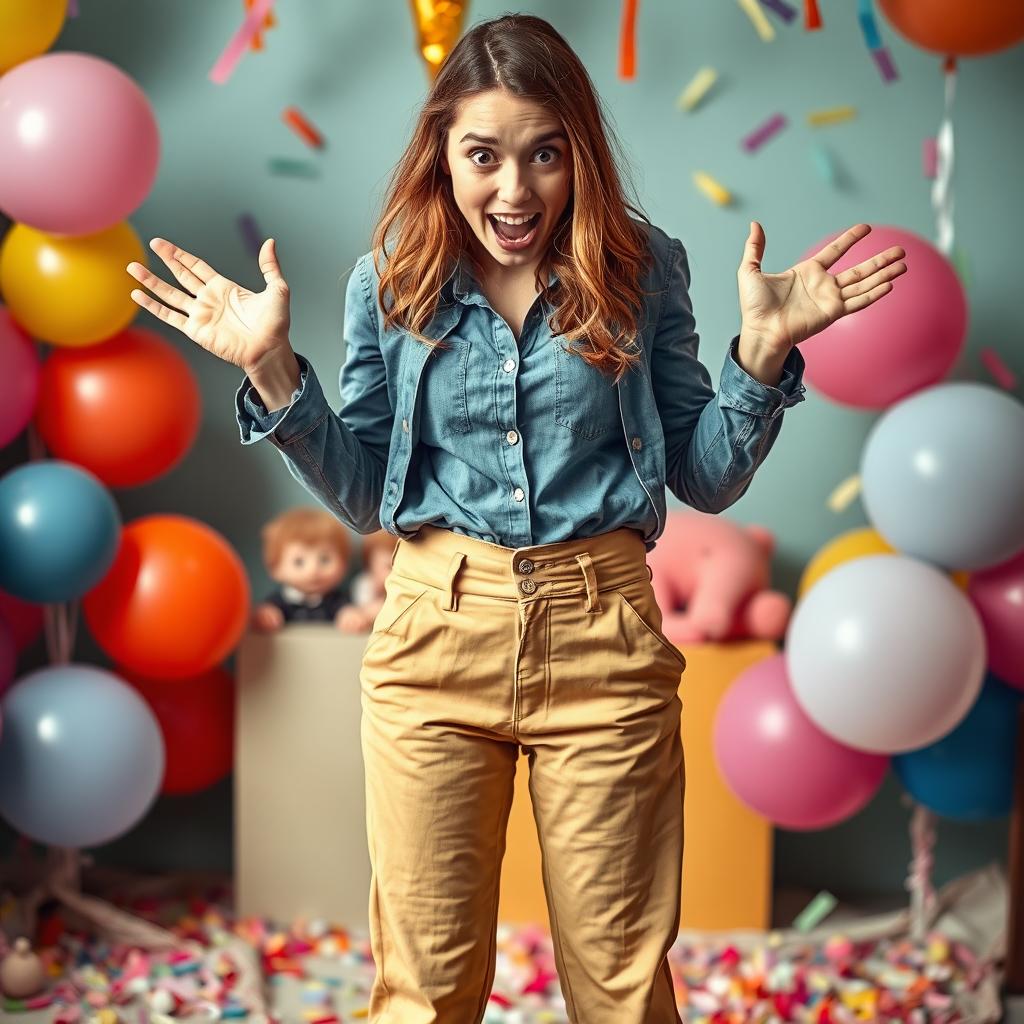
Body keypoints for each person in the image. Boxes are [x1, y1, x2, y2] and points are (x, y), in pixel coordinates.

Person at [124, 13, 906, 1022]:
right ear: (442, 152)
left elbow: (703, 479)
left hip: (604, 641)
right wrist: (273, 369)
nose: (514, 189)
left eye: (545, 153)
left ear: (578, 148)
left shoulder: (642, 269)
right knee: (425, 990)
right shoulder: (391, 280)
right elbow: (367, 494)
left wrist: (760, 357)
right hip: (433, 638)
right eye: (483, 154)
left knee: (622, 991)